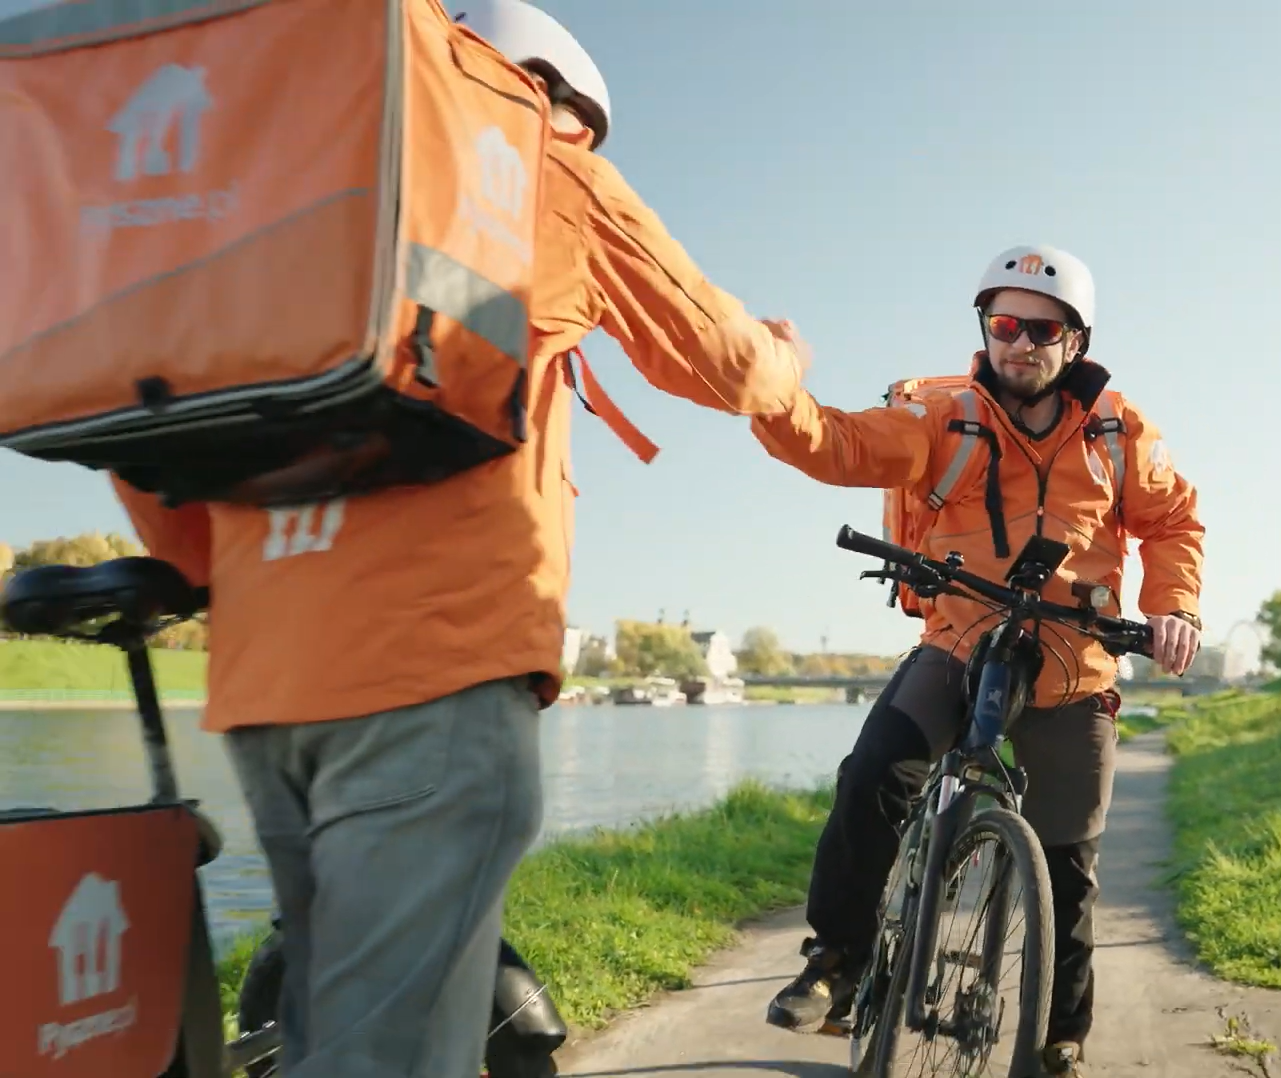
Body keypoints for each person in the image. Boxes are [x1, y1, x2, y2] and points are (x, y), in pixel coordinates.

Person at [109, 3, 809, 1075]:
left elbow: (157, 421)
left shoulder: (280, 193)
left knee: (331, 1016)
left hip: (267, 687)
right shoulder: (536, 162)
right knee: (382, 1058)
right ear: (557, 101)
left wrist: (221, 576)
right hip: (435, 676)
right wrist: (784, 356)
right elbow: (726, 364)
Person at [752, 244, 1205, 1075]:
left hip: (1075, 662)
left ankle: (1061, 1031)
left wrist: (1172, 607)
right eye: (1004, 325)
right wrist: (770, 381)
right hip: (961, 637)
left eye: (1040, 329)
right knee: (875, 772)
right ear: (986, 332)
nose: (1019, 344)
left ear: (1076, 341)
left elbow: (1173, 522)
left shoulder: (1119, 431)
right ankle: (839, 962)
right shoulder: (942, 416)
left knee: (1068, 865)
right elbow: (836, 445)